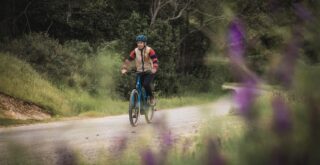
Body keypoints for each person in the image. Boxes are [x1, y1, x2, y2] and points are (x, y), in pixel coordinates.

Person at [121, 34, 158, 106]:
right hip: (139, 72)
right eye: (138, 42)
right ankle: (136, 107)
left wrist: (154, 68)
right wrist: (124, 68)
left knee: (146, 84)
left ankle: (151, 97)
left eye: (141, 42)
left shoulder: (149, 50)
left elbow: (155, 60)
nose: (139, 44)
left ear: (144, 43)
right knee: (137, 87)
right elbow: (128, 60)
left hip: (149, 71)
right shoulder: (135, 51)